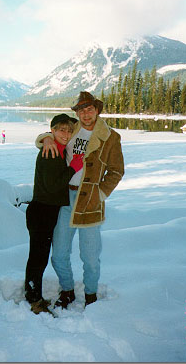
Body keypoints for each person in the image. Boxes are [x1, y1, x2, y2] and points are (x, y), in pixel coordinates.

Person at [35, 91, 124, 309]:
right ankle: (67, 291)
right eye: (81, 110)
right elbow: (55, 134)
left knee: (90, 257)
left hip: (91, 202)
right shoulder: (73, 129)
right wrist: (45, 138)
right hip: (65, 199)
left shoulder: (110, 137)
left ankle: (91, 295)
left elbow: (116, 171)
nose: (85, 113)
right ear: (77, 112)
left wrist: (100, 194)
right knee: (59, 254)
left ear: (97, 110)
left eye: (90, 109)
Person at [25, 114, 82, 314]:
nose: (65, 134)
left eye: (68, 130)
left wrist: (46, 137)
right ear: (53, 130)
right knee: (38, 259)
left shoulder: (56, 147)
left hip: (45, 211)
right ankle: (34, 300)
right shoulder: (50, 152)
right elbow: (53, 186)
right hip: (42, 211)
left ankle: (33, 294)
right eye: (61, 130)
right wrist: (74, 167)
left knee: (38, 256)